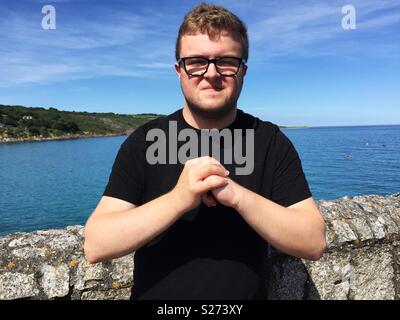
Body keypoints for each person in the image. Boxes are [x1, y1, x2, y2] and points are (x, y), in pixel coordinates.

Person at [84, 3, 326, 300]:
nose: (211, 74)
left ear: (243, 71)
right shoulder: (146, 140)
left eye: (226, 61)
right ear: (179, 70)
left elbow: (313, 242)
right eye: (196, 61)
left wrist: (237, 196)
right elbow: (96, 244)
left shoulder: (270, 141)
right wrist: (178, 199)